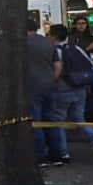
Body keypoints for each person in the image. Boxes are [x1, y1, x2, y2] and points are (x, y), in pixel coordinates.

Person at [49, 24, 93, 162]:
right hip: (81, 88)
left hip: (63, 88)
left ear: (53, 36)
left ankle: (63, 153)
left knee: (59, 120)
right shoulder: (76, 48)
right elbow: (92, 66)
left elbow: (57, 70)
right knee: (79, 118)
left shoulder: (55, 50)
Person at [25, 17, 64, 166]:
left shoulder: (21, 43)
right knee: (52, 120)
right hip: (50, 85)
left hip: (32, 86)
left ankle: (40, 156)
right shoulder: (49, 43)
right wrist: (52, 79)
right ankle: (56, 156)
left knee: (36, 122)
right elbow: (58, 66)